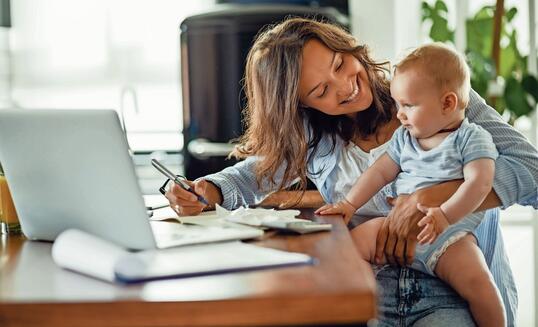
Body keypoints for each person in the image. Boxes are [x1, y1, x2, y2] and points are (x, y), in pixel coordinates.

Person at [165, 18, 538, 326]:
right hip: (369, 285)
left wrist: (430, 198)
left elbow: (532, 172)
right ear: (301, 105)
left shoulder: (432, 91)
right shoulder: (314, 135)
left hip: (453, 284)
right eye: (321, 89)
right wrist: (206, 190)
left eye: (341, 64)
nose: (345, 86)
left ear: (347, 47)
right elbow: (252, 175)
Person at [316, 43, 505, 326]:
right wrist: (349, 203)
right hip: (395, 226)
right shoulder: (406, 138)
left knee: (482, 286)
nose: (399, 114)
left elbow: (480, 184)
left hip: (449, 238)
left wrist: (444, 215)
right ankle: (368, 310)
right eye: (397, 104)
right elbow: (379, 173)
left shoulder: (472, 139)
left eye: (408, 105)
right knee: (348, 248)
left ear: (447, 103)